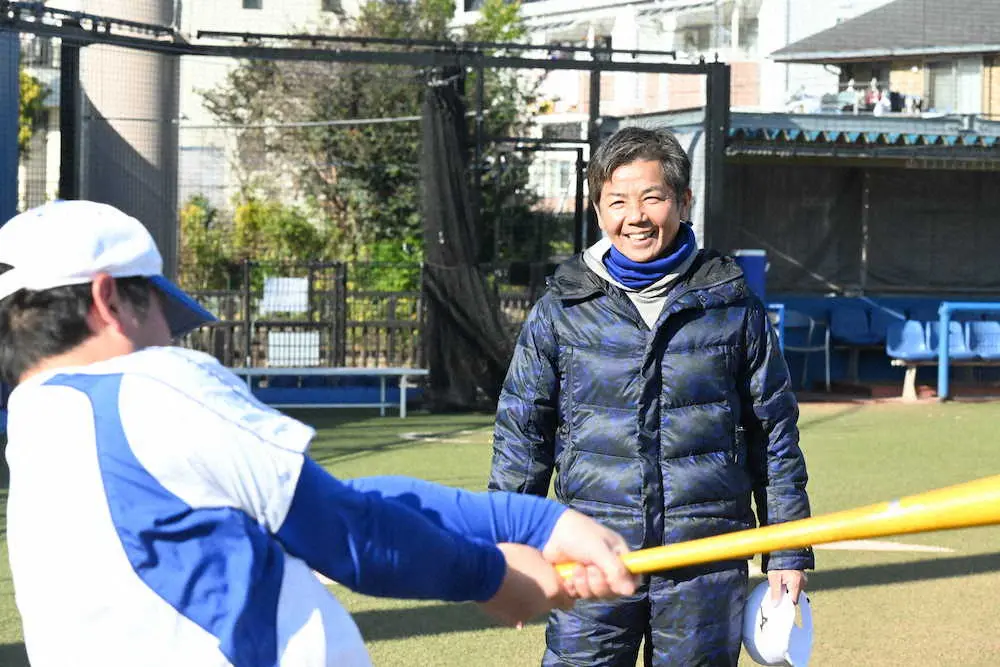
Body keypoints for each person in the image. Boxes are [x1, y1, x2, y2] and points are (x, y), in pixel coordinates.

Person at [0, 200, 638, 667]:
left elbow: (317, 500)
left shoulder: (36, 425)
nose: (171, 334)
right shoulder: (146, 384)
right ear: (110, 299)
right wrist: (494, 577)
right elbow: (343, 529)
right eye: (162, 312)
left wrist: (531, 523)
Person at [489, 126, 814, 667]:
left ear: (684, 201)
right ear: (597, 210)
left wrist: (787, 546)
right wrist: (511, 543)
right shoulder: (563, 308)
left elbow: (773, 434)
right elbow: (523, 434)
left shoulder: (733, 306)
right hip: (590, 555)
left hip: (705, 559)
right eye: (617, 201)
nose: (635, 216)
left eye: (652, 197)